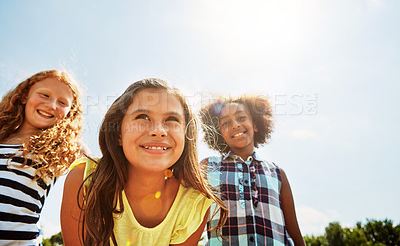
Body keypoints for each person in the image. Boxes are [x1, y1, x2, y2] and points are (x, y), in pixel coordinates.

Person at [61, 78, 227, 246]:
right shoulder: (84, 179)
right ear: (118, 134)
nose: (158, 131)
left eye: (172, 119)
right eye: (143, 117)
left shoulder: (193, 203)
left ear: (186, 135)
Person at [200, 95, 305, 245]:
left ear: (255, 125)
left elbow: (294, 230)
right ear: (220, 135)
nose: (235, 125)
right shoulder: (208, 167)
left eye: (241, 117)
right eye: (226, 123)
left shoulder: (277, 173)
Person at [0, 70, 83, 245]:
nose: (52, 105)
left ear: (70, 113)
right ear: (24, 97)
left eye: (62, 102)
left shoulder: (60, 148)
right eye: (44, 95)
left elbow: (104, 162)